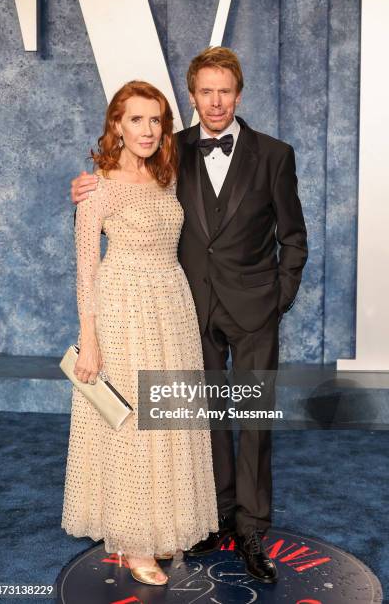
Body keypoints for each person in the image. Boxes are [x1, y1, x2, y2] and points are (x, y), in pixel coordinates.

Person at [71, 47, 308, 584]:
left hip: (251, 310)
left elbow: (293, 237)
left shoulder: (274, 154)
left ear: (239, 94)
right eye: (206, 91)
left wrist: (277, 299)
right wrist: (82, 190)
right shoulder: (168, 150)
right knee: (194, 420)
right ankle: (211, 516)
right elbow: (112, 192)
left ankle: (249, 527)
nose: (217, 101)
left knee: (249, 419)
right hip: (184, 313)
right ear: (193, 96)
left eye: (225, 90)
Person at [62, 80, 218, 587]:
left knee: (167, 419)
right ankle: (134, 539)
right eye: (136, 119)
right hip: (122, 308)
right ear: (117, 125)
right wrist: (90, 339)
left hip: (171, 305)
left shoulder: (168, 177)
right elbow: (86, 269)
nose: (148, 130)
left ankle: (163, 524)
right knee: (130, 425)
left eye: (156, 120)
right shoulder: (97, 187)